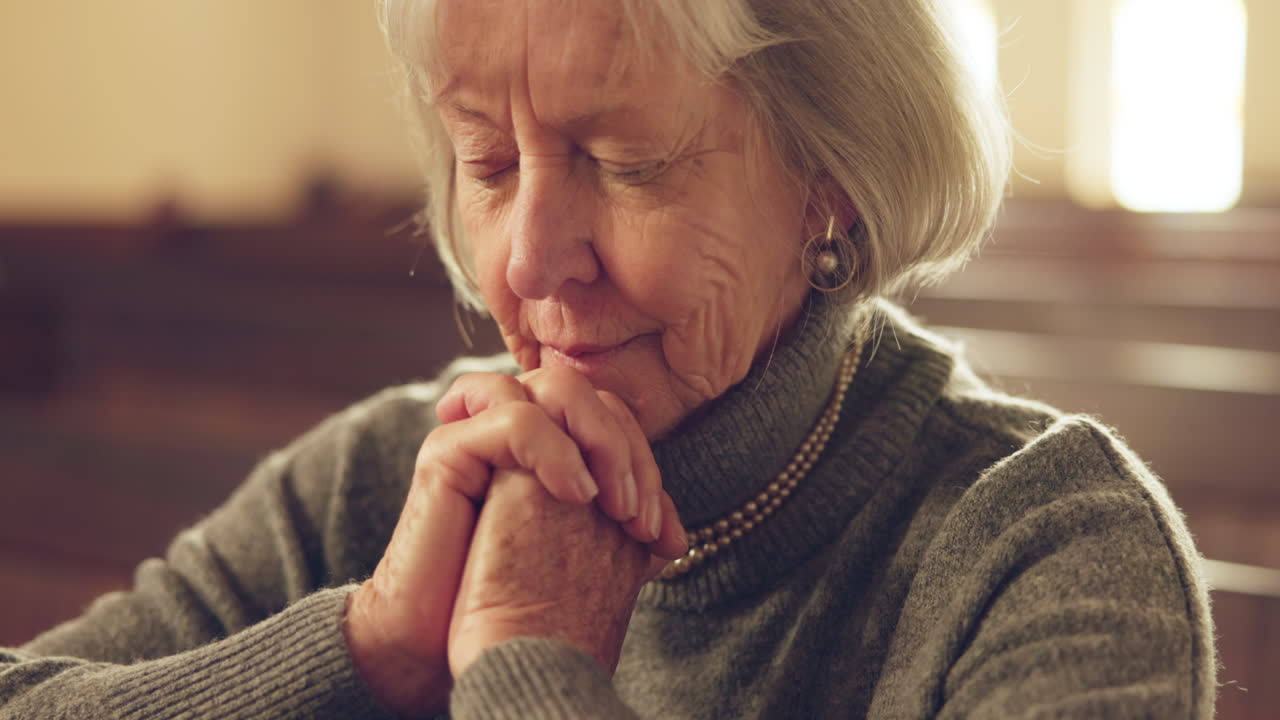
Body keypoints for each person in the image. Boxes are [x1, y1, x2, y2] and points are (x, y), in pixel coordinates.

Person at [1, 0, 1216, 717]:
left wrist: (527, 664)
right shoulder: (386, 480)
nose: (526, 262)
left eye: (626, 163)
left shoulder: (1046, 547)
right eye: (486, 161)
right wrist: (362, 646)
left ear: (830, 187)